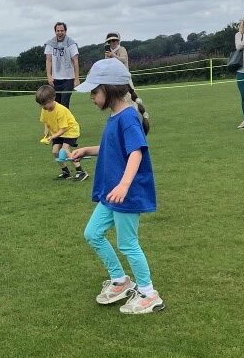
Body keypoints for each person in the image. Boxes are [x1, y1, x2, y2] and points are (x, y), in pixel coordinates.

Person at [71, 58, 164, 314]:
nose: (91, 96)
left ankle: (148, 293)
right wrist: (88, 150)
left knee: (128, 243)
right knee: (93, 233)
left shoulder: (128, 118)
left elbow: (136, 152)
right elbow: (114, 148)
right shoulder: (116, 117)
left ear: (110, 89)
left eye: (94, 91)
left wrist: (124, 185)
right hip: (112, 193)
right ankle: (120, 280)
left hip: (126, 194)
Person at [36, 84, 88, 182]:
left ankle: (81, 171)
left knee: (64, 150)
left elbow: (63, 129)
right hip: (58, 132)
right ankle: (66, 172)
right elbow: (46, 122)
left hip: (70, 131)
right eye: (41, 104)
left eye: (45, 104)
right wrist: (46, 133)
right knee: (55, 151)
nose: (43, 106)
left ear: (53, 99)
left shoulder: (60, 110)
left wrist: (52, 137)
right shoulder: (45, 109)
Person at [45, 22, 80, 108]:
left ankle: (66, 117)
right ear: (55, 31)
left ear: (65, 31)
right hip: (55, 80)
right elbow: (48, 60)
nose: (60, 33)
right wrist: (49, 76)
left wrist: (77, 79)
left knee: (64, 104)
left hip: (68, 79)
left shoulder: (71, 43)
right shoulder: (50, 44)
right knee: (56, 105)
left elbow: (75, 61)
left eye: (62, 30)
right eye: (58, 31)